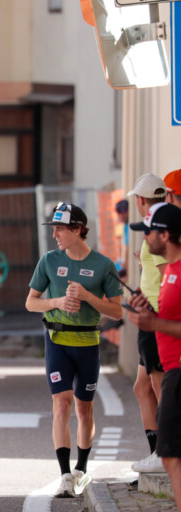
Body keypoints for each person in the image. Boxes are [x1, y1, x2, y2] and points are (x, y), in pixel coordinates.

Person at [25, 202, 122, 498]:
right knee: (62, 404)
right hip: (57, 341)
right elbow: (31, 302)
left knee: (84, 408)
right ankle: (65, 475)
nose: (55, 234)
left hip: (88, 343)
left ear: (78, 229)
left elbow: (117, 312)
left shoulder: (104, 264)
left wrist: (88, 296)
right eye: (53, 229)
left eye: (60, 229)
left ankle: (82, 469)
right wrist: (56, 302)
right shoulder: (49, 261)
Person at [127, 202, 181, 512]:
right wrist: (147, 310)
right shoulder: (169, 271)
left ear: (166, 235)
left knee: (172, 452)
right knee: (171, 454)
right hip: (172, 369)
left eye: (149, 232)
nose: (145, 238)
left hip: (178, 371)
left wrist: (154, 323)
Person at [126, 175, 167, 474]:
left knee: (158, 383)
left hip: (156, 315)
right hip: (151, 310)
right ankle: (158, 452)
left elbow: (169, 272)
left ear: (140, 200)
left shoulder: (158, 228)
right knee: (142, 387)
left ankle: (167, 452)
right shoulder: (158, 224)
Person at [115, 199, 129, 278]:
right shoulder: (125, 226)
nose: (121, 214)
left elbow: (129, 249)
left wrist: (125, 267)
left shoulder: (129, 226)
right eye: (119, 212)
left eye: (124, 211)